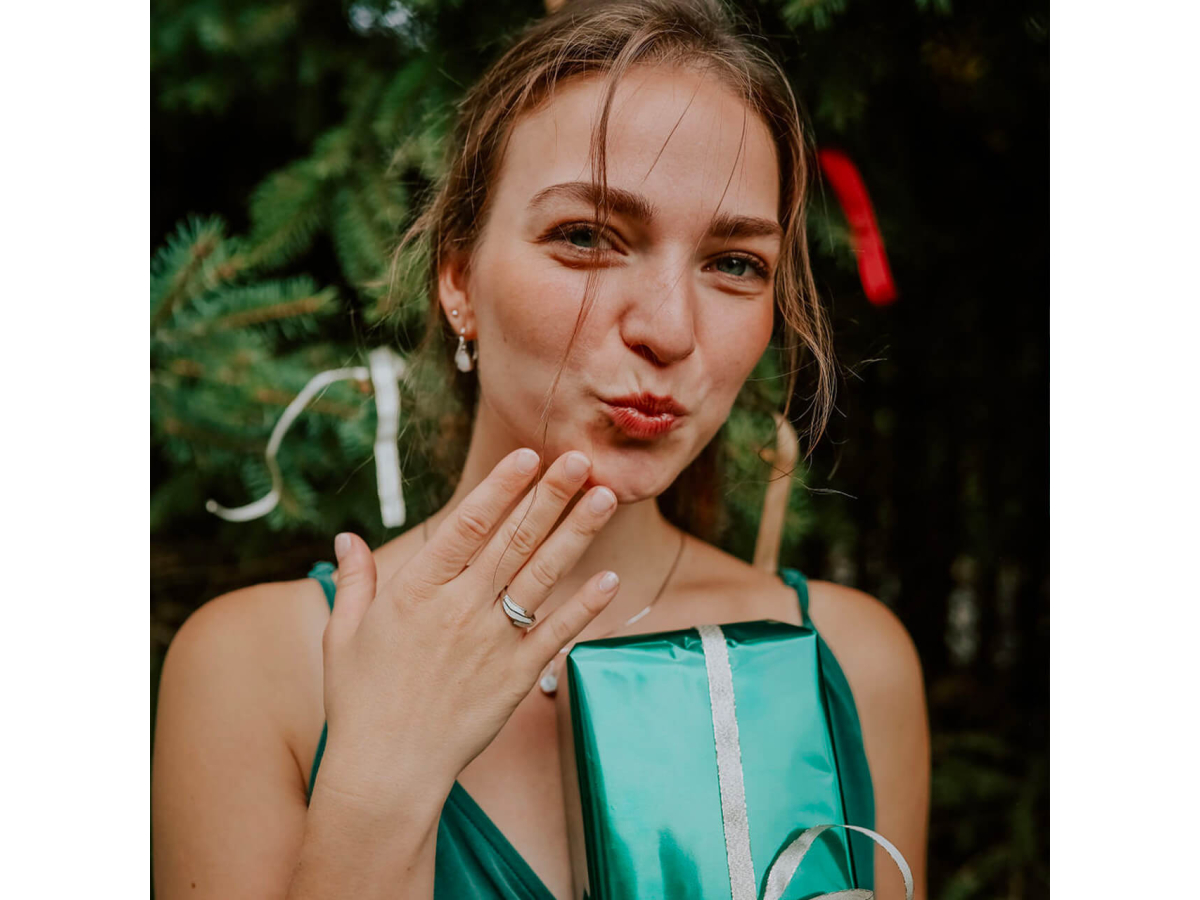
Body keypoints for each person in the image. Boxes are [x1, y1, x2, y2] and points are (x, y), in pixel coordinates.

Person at [151, 1, 930, 897]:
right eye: (587, 238)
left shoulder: (848, 665)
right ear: (458, 276)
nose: (670, 329)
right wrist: (380, 785)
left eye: (734, 263)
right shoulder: (257, 669)